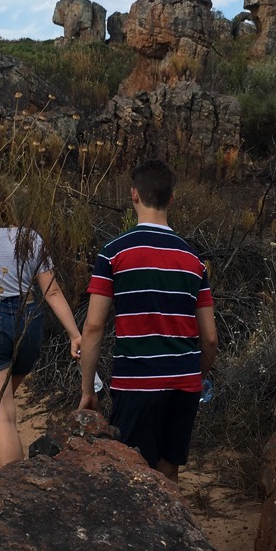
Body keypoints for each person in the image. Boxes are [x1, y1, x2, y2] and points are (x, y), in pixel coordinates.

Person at [78, 159, 217, 483]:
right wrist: (196, 377)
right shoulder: (193, 259)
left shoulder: (113, 253)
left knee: (133, 475)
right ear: (172, 198)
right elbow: (210, 338)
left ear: (134, 194)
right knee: (168, 473)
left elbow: (94, 326)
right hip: (184, 383)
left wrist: (88, 389)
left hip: (136, 382)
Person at [0, 181, 82, 468]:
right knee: (3, 409)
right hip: (28, 321)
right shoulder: (29, 237)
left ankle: (13, 485)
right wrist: (75, 334)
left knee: (1, 417)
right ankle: (3, 479)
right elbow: (52, 291)